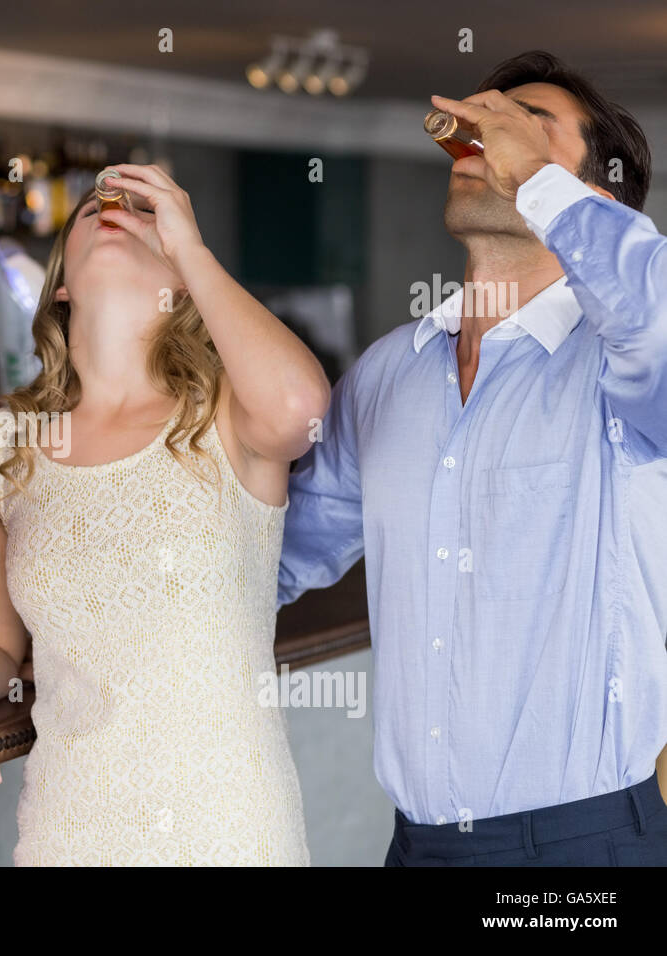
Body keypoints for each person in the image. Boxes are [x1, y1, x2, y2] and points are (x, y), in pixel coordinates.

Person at [278, 50, 667, 866]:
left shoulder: (624, 364)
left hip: (581, 847)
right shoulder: (388, 371)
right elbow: (278, 552)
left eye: (528, 122)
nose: (482, 132)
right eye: (485, 116)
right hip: (415, 847)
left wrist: (534, 177)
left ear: (594, 194)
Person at [0, 164, 331, 865]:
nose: (117, 211)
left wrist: (193, 251)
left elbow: (301, 409)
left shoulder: (228, 415)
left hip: (230, 827)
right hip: (70, 826)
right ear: (62, 284)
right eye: (96, 210)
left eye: (145, 214)